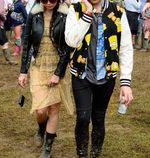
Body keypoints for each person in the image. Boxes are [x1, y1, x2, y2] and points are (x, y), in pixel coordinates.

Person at [65, 0, 133, 157]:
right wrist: (87, 14)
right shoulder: (75, 10)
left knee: (98, 118)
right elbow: (71, 41)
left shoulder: (118, 12)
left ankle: (95, 154)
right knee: (83, 118)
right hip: (81, 74)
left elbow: (126, 48)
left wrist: (125, 82)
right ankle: (82, 154)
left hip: (107, 76)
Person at [18, 0, 72, 157]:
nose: (49, 3)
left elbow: (68, 46)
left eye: (53, 0)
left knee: (54, 109)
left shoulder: (66, 15)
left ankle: (47, 148)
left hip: (58, 66)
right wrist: (23, 71)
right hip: (38, 67)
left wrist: (58, 73)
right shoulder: (34, 14)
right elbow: (26, 42)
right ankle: (41, 128)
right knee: (41, 110)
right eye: (45, 0)